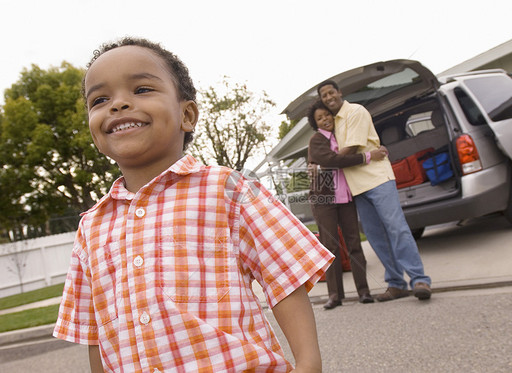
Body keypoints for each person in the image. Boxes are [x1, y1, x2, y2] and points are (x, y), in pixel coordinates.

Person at [53, 37, 334, 373]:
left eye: (141, 89)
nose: (118, 104)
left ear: (187, 115)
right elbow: (97, 332)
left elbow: (284, 276)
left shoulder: (228, 190)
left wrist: (308, 362)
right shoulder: (92, 226)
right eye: (100, 99)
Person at [317, 79, 432, 302]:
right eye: (324, 96)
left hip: (378, 179)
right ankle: (396, 283)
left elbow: (349, 150)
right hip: (357, 188)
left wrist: (327, 160)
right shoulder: (333, 122)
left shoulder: (355, 112)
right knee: (377, 237)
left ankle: (420, 279)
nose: (329, 98)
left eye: (332, 93)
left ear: (339, 92)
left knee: (396, 228)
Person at [306, 101, 386, 310]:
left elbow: (339, 158)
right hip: (324, 201)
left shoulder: (342, 136)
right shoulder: (316, 141)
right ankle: (335, 295)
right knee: (330, 247)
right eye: (320, 118)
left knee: (354, 245)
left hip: (347, 198)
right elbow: (333, 160)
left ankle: (364, 291)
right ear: (315, 124)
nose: (325, 120)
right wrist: (368, 156)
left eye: (327, 115)